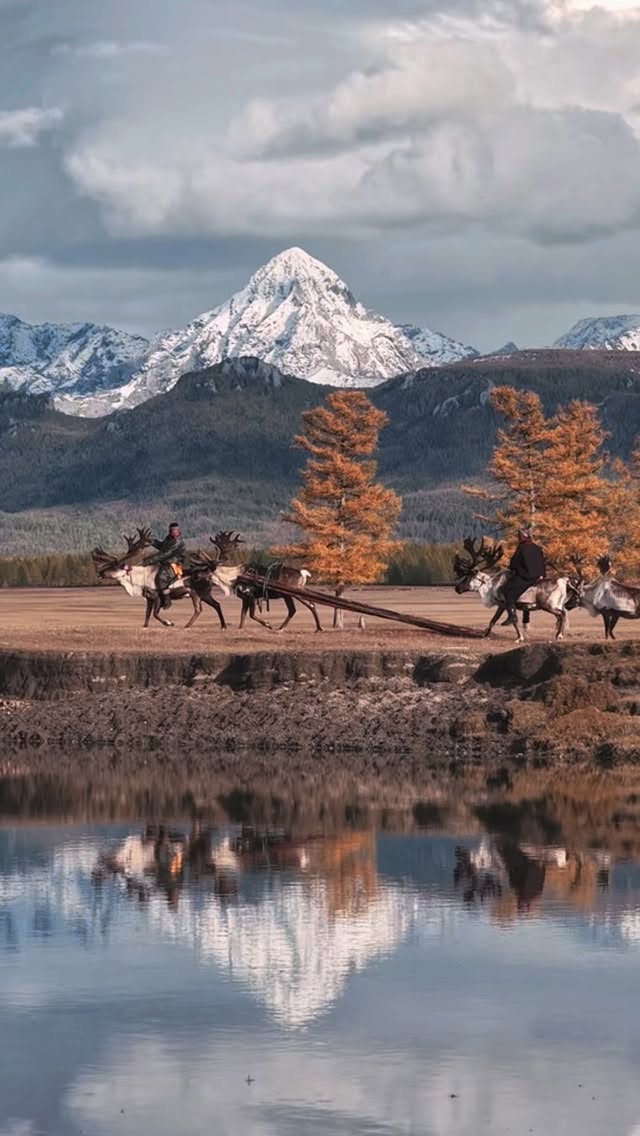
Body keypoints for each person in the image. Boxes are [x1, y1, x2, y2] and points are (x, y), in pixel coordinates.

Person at [502, 527, 546, 627]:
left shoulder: (522, 548)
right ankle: (526, 618)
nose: (518, 537)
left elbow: (514, 563)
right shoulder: (537, 547)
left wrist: (512, 568)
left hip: (526, 577)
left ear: (522, 536)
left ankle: (512, 616)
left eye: (519, 536)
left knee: (507, 591)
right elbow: (543, 563)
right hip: (539, 577)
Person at [143, 522, 186, 608]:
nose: (175, 532)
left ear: (179, 531)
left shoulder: (177, 541)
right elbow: (163, 547)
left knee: (161, 578)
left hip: (174, 563)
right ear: (170, 531)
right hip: (166, 561)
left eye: (176, 530)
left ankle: (167, 600)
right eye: (173, 530)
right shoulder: (169, 539)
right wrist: (153, 542)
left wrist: (149, 560)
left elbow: (165, 553)